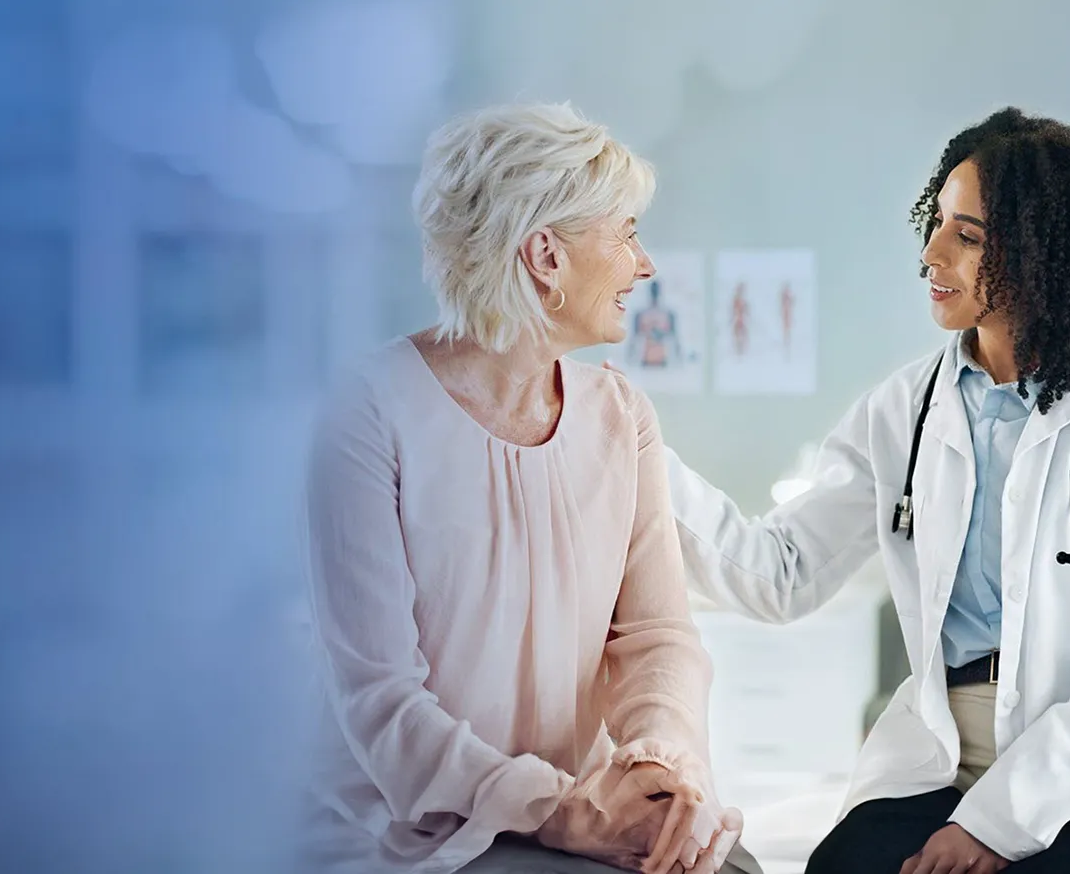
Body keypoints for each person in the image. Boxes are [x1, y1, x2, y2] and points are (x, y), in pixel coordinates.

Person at [661, 107, 1070, 873]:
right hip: (936, 756)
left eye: (968, 236)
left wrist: (992, 826)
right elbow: (782, 573)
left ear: (1046, 255)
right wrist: (636, 452)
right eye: (937, 224)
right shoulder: (908, 407)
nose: (931, 253)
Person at [300, 102, 758, 874]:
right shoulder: (366, 411)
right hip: (410, 832)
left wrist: (665, 764)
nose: (643, 265)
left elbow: (657, 640)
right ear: (546, 254)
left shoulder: (622, 417)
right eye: (627, 233)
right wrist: (558, 811)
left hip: (578, 812)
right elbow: (381, 702)